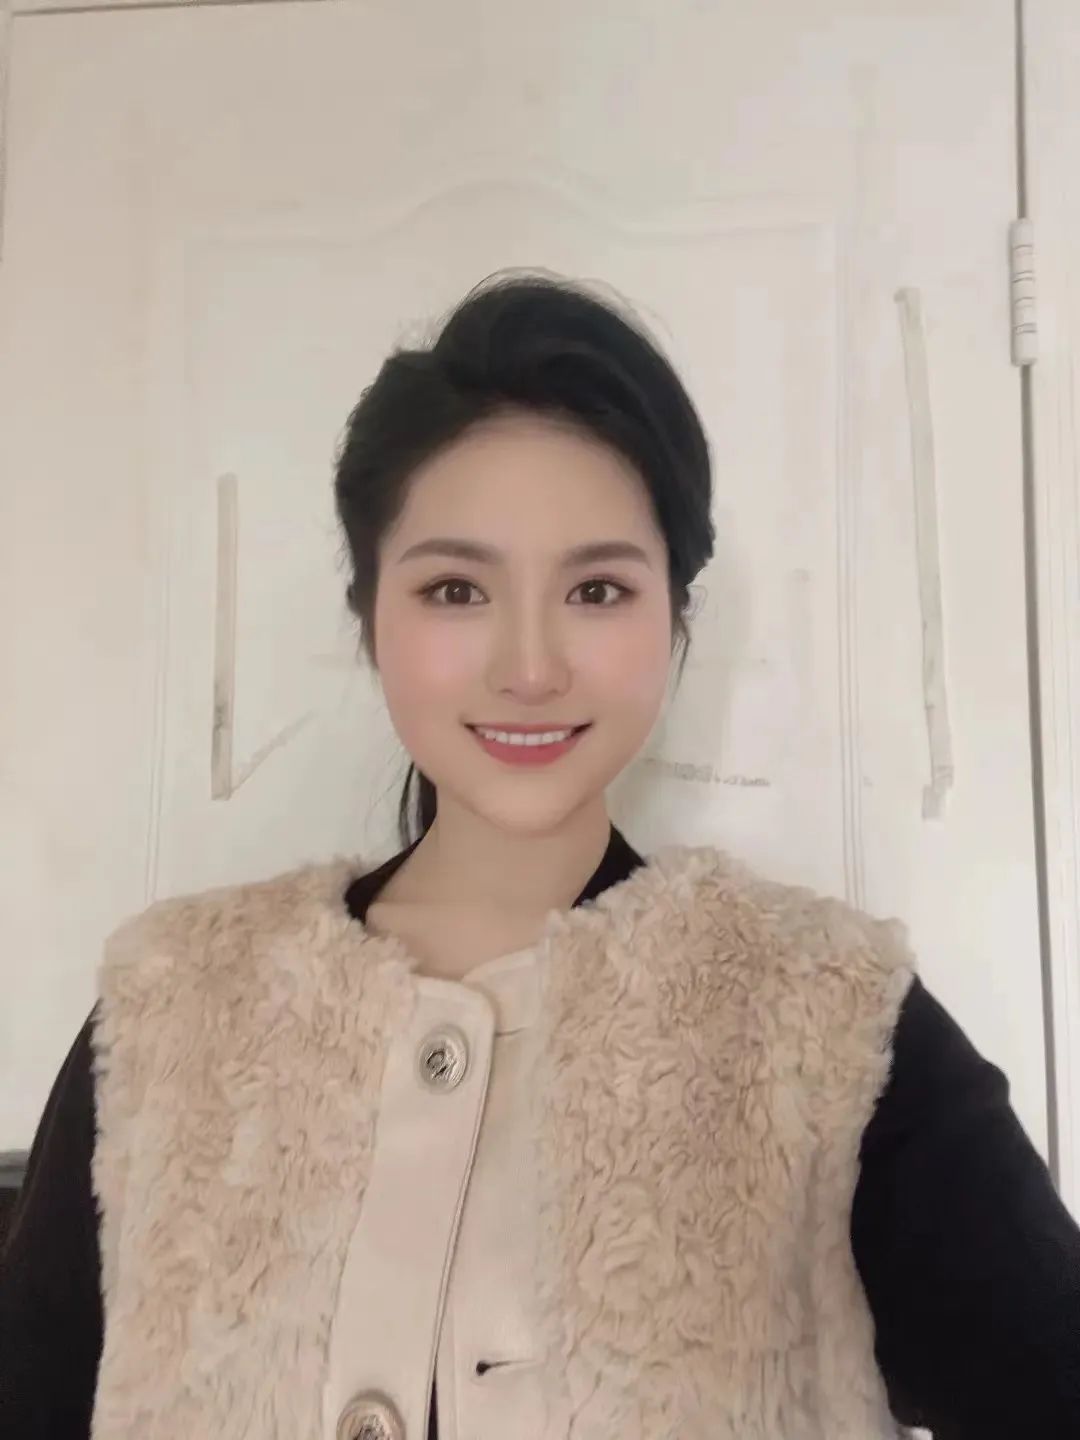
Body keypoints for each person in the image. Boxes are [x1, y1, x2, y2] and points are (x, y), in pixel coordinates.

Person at [2, 274, 1079, 1440]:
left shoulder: (827, 1017)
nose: (529, 667)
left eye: (598, 589)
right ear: (370, 615)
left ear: (676, 617)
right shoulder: (170, 1006)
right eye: (456, 589)